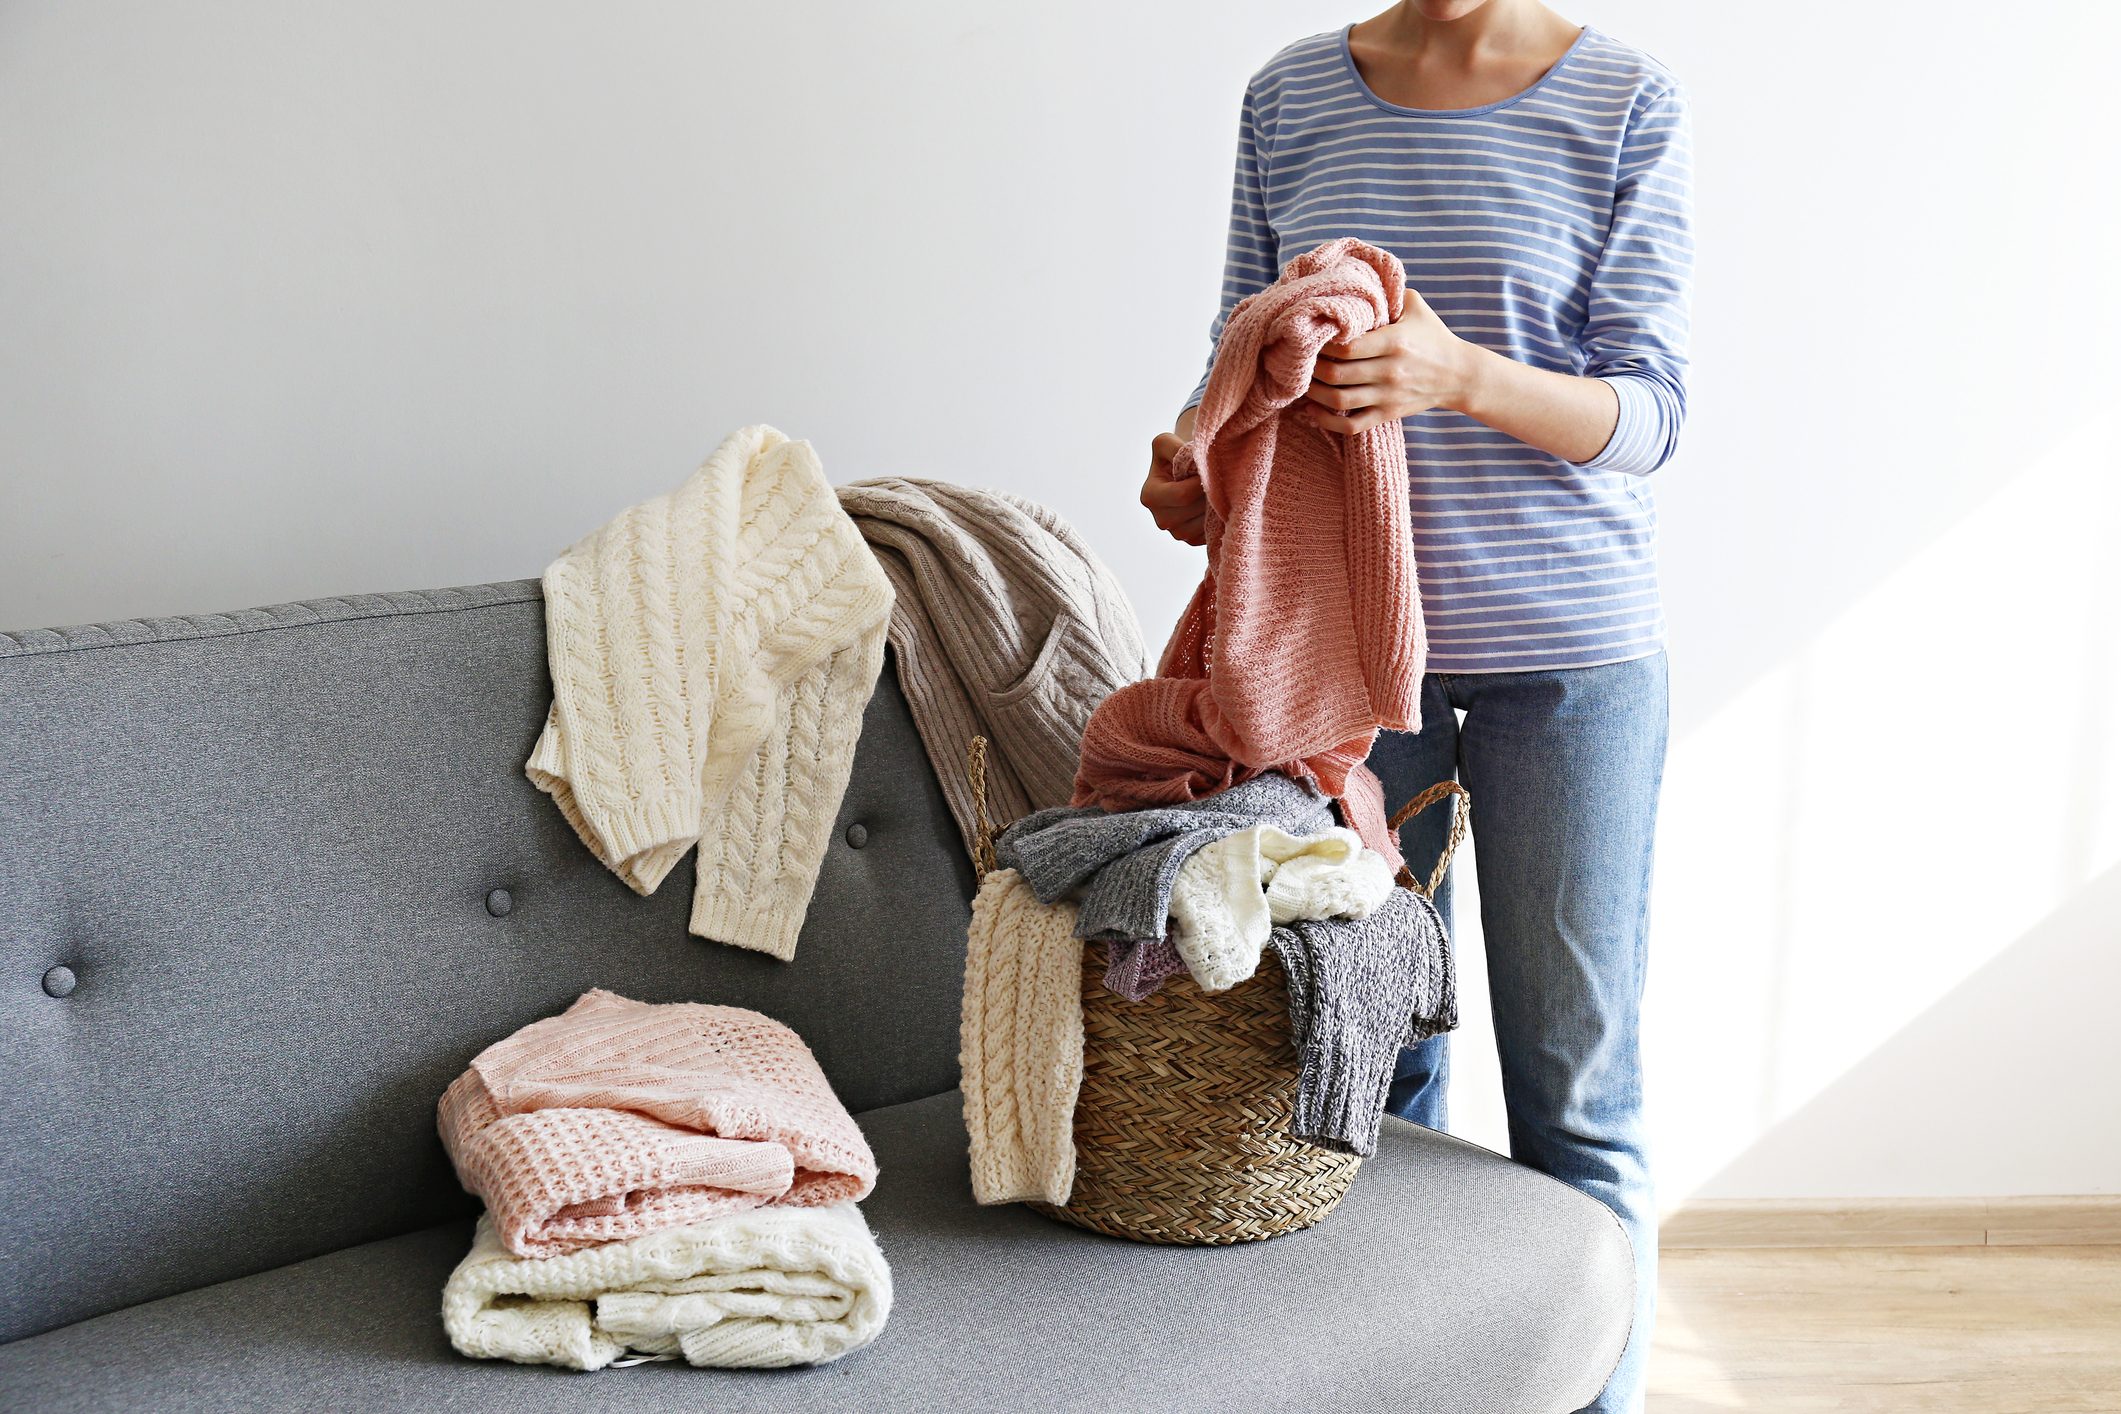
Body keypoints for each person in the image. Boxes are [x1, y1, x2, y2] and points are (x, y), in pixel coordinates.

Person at [1139, 3, 1692, 1409]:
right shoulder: (1290, 96)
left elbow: (1652, 413)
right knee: (1360, 1086)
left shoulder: (1622, 99)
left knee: (1576, 1102)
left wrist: (1458, 377)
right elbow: (1238, 352)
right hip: (1336, 666)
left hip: (1568, 662)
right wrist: (1195, 464)